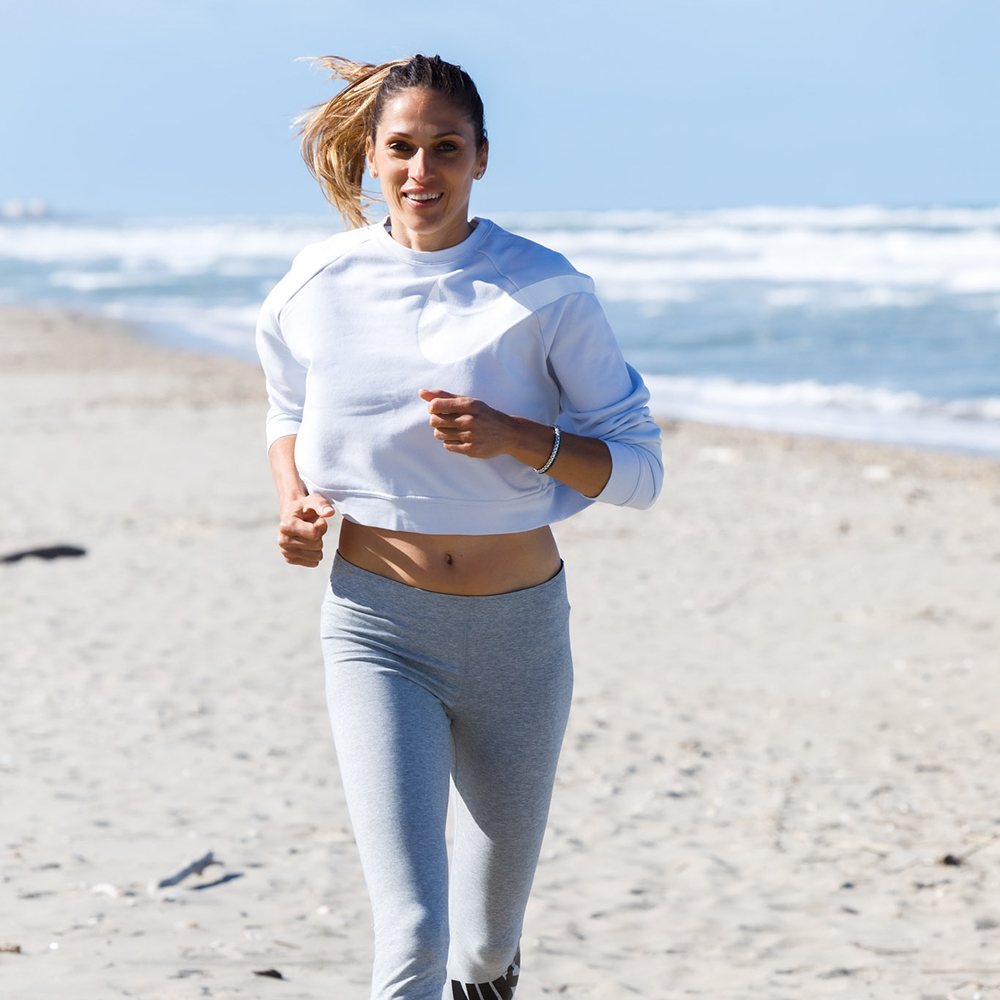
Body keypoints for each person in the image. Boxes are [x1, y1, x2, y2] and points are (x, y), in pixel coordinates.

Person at [256, 53, 663, 1000]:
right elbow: (286, 411)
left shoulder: (546, 292)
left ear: (482, 157)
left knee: (480, 947)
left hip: (518, 637)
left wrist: (518, 436)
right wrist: (295, 504)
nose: (421, 173)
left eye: (447, 149)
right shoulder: (317, 282)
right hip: (375, 628)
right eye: (401, 149)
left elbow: (640, 470)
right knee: (412, 930)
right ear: (370, 156)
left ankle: (493, 970)